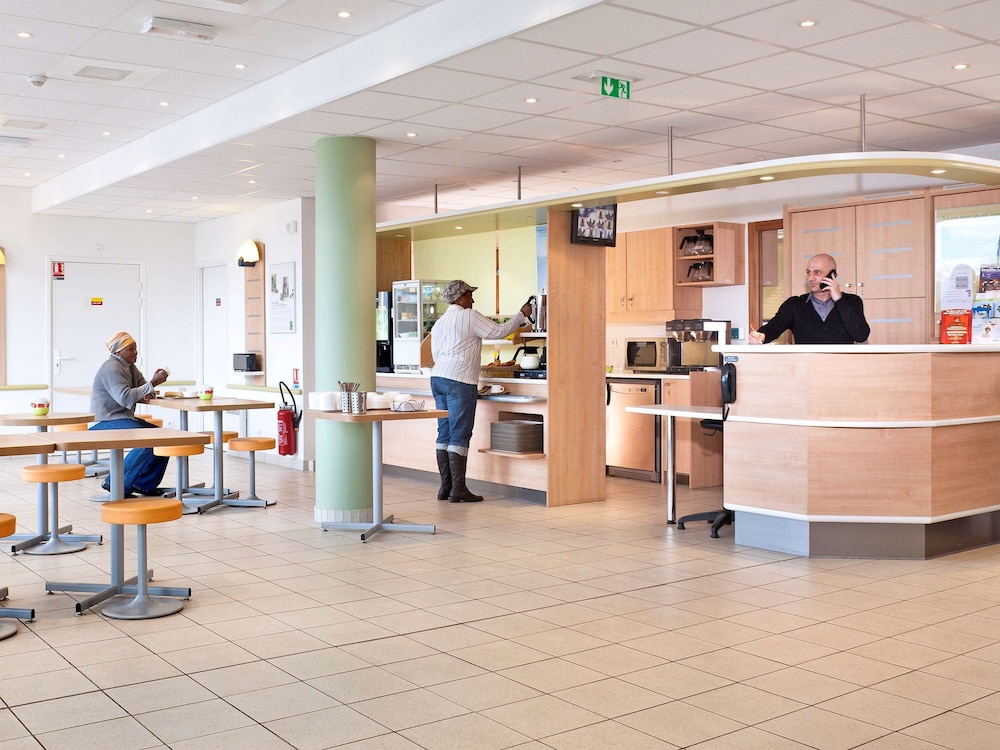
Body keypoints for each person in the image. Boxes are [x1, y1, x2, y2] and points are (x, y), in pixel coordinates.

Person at [431, 280, 533, 502]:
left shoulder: (439, 322)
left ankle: (445, 488)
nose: (473, 299)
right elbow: (498, 331)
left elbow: (436, 355)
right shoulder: (469, 316)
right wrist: (521, 315)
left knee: (444, 432)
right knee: (459, 434)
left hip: (438, 378)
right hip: (459, 380)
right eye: (470, 295)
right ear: (460, 297)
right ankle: (458, 489)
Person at [90, 331, 170, 496]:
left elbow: (144, 389)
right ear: (118, 352)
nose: (136, 352)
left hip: (123, 418)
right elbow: (125, 397)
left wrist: (150, 387)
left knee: (164, 437)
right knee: (149, 439)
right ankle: (113, 482)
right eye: (131, 349)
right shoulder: (111, 367)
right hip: (105, 421)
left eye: (135, 348)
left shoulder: (130, 367)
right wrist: (152, 383)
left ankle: (142, 484)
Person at [749, 253, 870, 345]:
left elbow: (861, 335)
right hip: (806, 367)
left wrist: (839, 300)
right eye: (808, 272)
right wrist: (761, 336)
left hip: (842, 367)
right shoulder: (794, 305)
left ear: (832, 275)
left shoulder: (852, 301)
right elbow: (773, 327)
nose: (811, 278)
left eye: (817, 272)